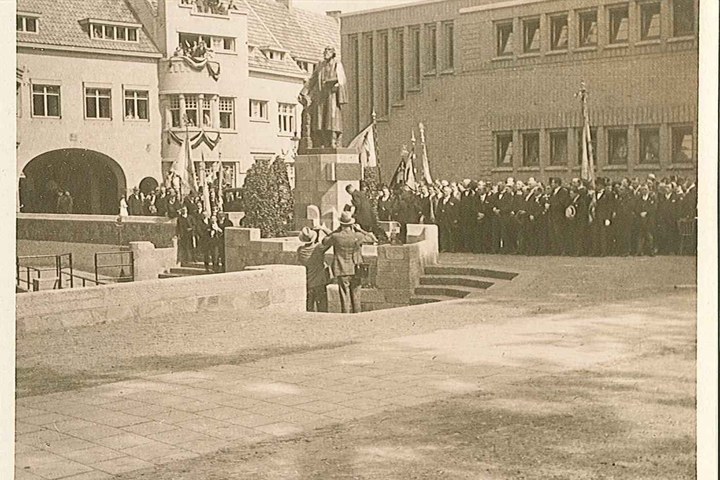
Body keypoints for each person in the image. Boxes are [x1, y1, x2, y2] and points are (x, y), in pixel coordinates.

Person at [322, 212, 376, 314]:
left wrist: (336, 230)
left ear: (341, 224)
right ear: (351, 224)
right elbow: (373, 238)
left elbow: (324, 241)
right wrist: (360, 230)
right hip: (356, 268)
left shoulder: (336, 236)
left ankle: (345, 316)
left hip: (341, 268)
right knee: (356, 296)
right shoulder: (358, 235)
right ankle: (357, 315)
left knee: (344, 295)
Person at [298, 46, 348, 148]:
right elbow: (312, 80)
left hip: (332, 95)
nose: (326, 52)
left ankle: (333, 142)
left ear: (333, 53)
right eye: (325, 51)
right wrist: (303, 92)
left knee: (331, 120)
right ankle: (323, 143)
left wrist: (333, 83)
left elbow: (342, 80)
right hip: (321, 96)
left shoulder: (337, 64)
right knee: (320, 120)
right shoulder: (320, 65)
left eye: (328, 50)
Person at [297, 226, 333, 312]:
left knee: (309, 308)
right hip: (320, 281)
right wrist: (323, 228)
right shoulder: (318, 248)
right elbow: (332, 238)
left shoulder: (300, 250)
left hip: (308, 282)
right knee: (322, 308)